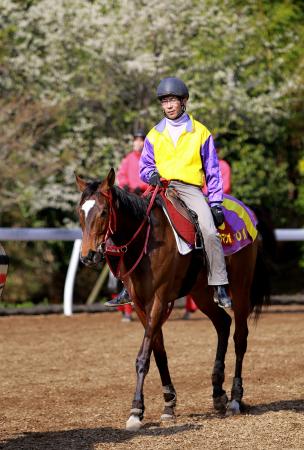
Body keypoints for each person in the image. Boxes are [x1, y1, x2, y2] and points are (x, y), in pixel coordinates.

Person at [108, 77, 232, 309]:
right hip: (159, 189)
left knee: (208, 230)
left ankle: (219, 283)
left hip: (189, 189)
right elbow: (144, 167)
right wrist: (150, 175)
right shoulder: (154, 134)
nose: (169, 105)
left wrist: (215, 203)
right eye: (165, 101)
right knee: (132, 225)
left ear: (183, 102)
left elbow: (213, 171)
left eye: (173, 100)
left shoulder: (201, 132)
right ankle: (127, 286)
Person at [105, 130, 148, 311]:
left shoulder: (149, 156)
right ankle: (119, 282)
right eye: (135, 140)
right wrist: (126, 187)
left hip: (145, 198)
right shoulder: (128, 158)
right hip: (129, 200)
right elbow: (121, 177)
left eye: (140, 140)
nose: (137, 143)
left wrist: (141, 186)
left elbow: (155, 176)